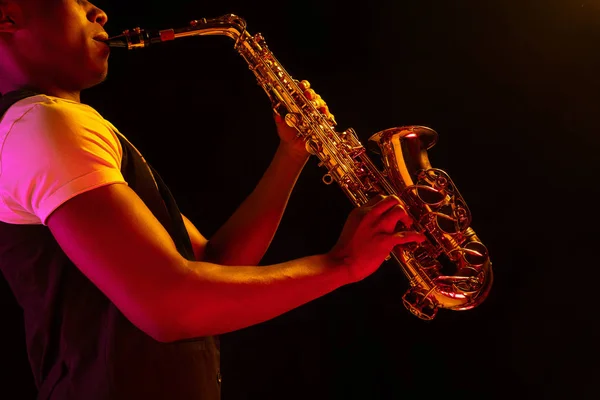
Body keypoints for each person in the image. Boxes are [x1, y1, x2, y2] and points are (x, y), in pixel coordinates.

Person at [0, 0, 426, 399]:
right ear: (7, 17)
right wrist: (343, 264)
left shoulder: (55, 125)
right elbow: (169, 306)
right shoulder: (41, 123)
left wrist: (291, 154)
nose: (100, 12)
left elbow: (217, 265)